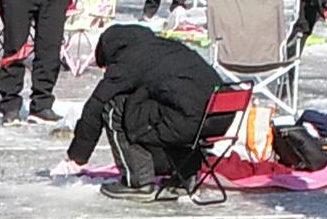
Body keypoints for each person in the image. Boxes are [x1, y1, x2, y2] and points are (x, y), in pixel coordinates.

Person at [67, 11, 230, 186]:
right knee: (160, 107)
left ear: (111, 53)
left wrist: (78, 156)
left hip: (190, 120)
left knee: (116, 108)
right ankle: (186, 174)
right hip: (220, 117)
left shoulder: (128, 59)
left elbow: (97, 104)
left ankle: (139, 181)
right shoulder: (164, 47)